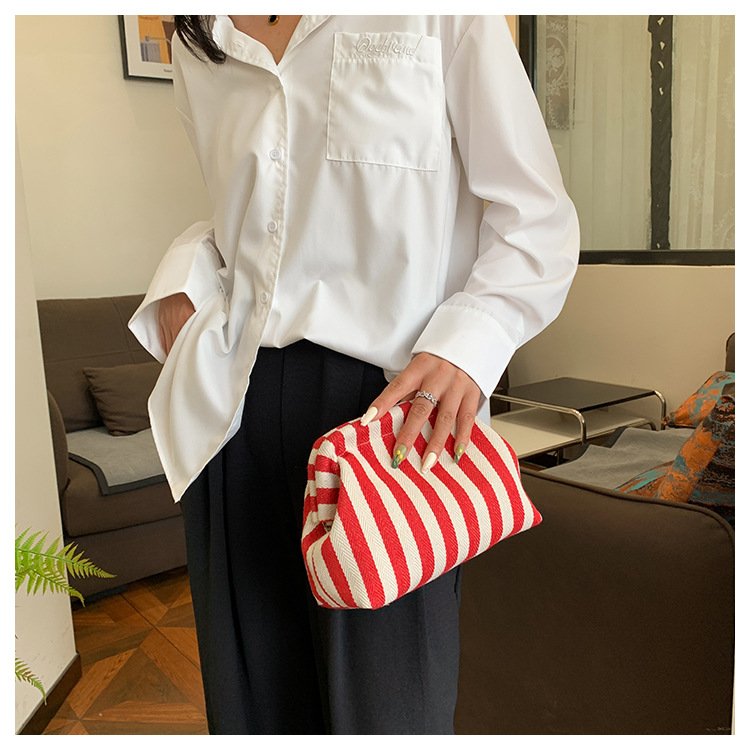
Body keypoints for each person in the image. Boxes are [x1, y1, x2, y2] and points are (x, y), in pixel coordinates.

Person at [129, 15, 579, 735]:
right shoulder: (197, 36)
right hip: (231, 409)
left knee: (391, 717)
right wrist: (186, 275)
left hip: (388, 421)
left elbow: (538, 216)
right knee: (252, 714)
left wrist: (470, 343)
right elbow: (252, 214)